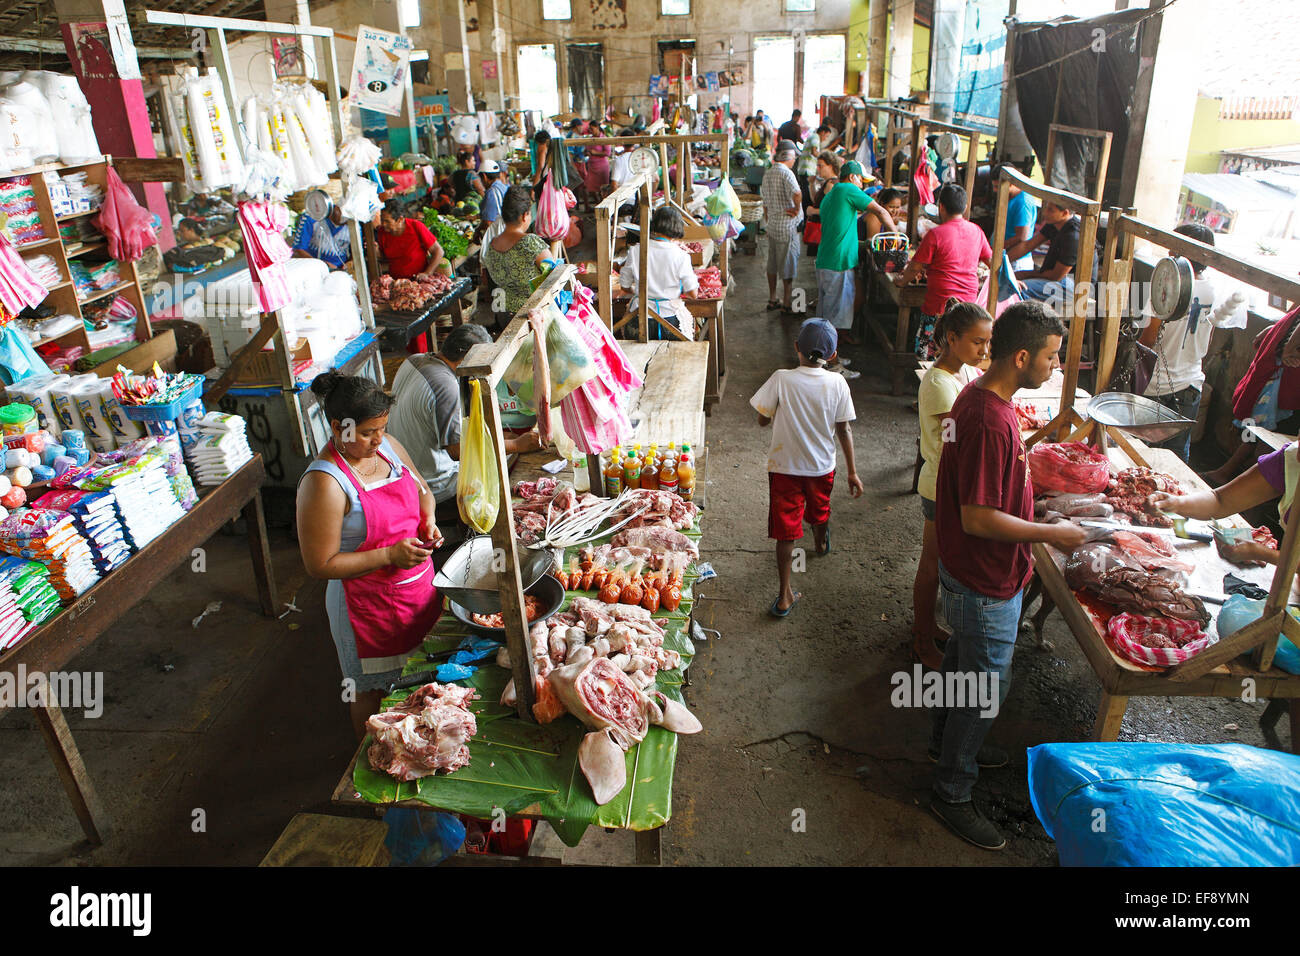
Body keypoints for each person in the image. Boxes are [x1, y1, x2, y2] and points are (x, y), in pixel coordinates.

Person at [929, 300, 1087, 850]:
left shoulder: (978, 399)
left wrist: (1031, 507)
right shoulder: (988, 419)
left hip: (968, 572)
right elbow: (977, 516)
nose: (1056, 367)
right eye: (1052, 357)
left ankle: (947, 740)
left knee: (960, 660)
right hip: (983, 581)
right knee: (984, 692)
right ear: (1022, 357)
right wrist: (1052, 534)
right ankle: (952, 786)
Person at [296, 372, 444, 740]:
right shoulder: (325, 482)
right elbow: (320, 564)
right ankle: (368, 766)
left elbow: (423, 489)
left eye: (382, 428)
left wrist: (428, 518)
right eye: (367, 433)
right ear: (337, 427)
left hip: (415, 589)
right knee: (370, 691)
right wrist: (389, 555)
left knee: (421, 678)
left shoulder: (388, 446)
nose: (378, 440)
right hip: (366, 608)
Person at [386, 324, 543, 548]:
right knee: (507, 462)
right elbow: (457, 451)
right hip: (433, 482)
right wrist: (516, 445)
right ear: (465, 360)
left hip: (405, 468)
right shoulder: (445, 385)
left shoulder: (416, 359)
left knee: (502, 445)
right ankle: (480, 534)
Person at [751, 317, 863, 618]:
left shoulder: (781, 378)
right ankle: (819, 539)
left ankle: (785, 594)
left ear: (797, 348)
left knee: (786, 532)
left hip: (784, 467)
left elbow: (762, 418)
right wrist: (852, 471)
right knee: (819, 510)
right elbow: (844, 430)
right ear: (833, 355)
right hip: (821, 468)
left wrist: (775, 412)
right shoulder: (838, 383)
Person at [913, 299, 992, 670]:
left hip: (949, 483)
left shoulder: (959, 373)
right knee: (930, 566)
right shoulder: (940, 385)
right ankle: (921, 641)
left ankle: (929, 627)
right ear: (951, 338)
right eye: (977, 342)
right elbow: (955, 441)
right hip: (939, 487)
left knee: (942, 563)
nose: (984, 350)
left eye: (987, 342)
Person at [1139, 223, 1248, 461]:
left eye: (1173, 246)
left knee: (1141, 450)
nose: (1168, 252)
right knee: (1176, 454)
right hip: (1190, 383)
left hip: (1155, 383)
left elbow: (1148, 340)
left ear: (1180, 252)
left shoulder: (1165, 288)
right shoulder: (1214, 290)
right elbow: (1207, 338)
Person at [895, 183, 992, 361]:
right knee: (961, 351)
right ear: (964, 207)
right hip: (969, 306)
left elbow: (915, 267)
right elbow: (991, 261)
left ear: (941, 207)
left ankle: (928, 382)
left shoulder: (936, 234)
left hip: (939, 304)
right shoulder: (976, 231)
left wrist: (901, 282)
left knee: (929, 355)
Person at [815, 160, 898, 345]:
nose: (862, 185)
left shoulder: (831, 194)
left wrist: (862, 244)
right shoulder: (847, 189)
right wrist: (898, 237)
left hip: (827, 259)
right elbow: (881, 212)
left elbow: (839, 230)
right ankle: (831, 363)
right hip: (838, 263)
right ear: (852, 177)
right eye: (861, 180)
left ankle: (826, 356)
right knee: (833, 318)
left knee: (826, 315)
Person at [618, 205, 698, 340]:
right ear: (677, 227)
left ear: (654, 225)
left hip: (639, 318)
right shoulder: (681, 255)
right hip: (670, 320)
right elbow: (693, 293)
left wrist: (636, 290)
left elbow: (624, 286)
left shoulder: (636, 250)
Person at [480, 184, 551, 320]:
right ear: (525, 216)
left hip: (503, 314)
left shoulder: (492, 244)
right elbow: (553, 274)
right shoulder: (530, 242)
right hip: (530, 316)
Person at [1005, 200, 1079, 311]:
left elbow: (1056, 276)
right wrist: (1001, 262)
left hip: (1075, 285)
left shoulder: (1073, 236)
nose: (1045, 213)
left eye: (1050, 210)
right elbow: (1027, 245)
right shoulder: (1054, 224)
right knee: (1010, 280)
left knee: (1018, 288)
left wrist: (1024, 274)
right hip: (1057, 280)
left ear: (1065, 213)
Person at [760, 141, 803, 314]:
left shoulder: (768, 173)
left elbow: (765, 203)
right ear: (789, 156)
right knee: (787, 263)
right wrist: (797, 209)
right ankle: (786, 302)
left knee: (772, 263)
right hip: (787, 226)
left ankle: (772, 298)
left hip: (773, 225)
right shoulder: (787, 173)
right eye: (794, 157)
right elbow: (797, 193)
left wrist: (768, 219)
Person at [376, 199, 449, 279]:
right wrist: (376, 251)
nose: (383, 224)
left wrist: (427, 273)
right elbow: (384, 257)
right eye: (382, 220)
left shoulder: (416, 226)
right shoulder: (382, 232)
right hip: (397, 282)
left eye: (387, 221)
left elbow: (438, 251)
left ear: (400, 219)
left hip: (419, 280)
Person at [995, 164, 1037, 271]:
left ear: (1010, 184)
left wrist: (998, 247)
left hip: (1017, 262)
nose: (995, 190)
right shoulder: (1010, 197)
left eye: (997, 186)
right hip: (1007, 257)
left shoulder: (1023, 202)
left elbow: (1022, 236)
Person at [291, 200, 351, 270]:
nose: (344, 218)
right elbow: (299, 248)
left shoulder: (354, 225)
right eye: (341, 212)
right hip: (312, 266)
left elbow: (355, 250)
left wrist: (350, 262)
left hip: (340, 268)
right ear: (333, 207)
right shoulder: (311, 217)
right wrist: (322, 264)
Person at [795, 123, 835, 212]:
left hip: (804, 170)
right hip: (807, 170)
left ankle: (805, 215)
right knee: (807, 197)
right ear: (822, 132)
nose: (825, 139)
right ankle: (806, 217)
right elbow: (814, 152)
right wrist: (825, 157)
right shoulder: (815, 137)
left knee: (806, 195)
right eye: (826, 136)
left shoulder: (812, 137)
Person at [531, 129, 552, 201]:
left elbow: (540, 166)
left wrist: (534, 187)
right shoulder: (552, 147)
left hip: (546, 180)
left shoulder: (543, 147)